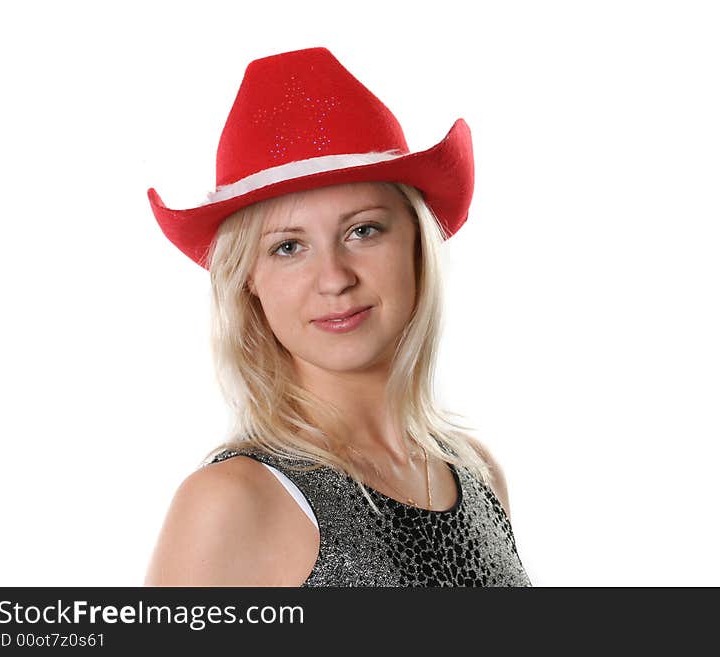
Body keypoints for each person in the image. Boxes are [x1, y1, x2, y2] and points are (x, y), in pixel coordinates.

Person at [143, 47, 531, 586]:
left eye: (363, 230)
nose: (334, 278)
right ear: (248, 280)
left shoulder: (477, 474)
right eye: (288, 247)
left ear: (418, 244)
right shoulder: (234, 502)